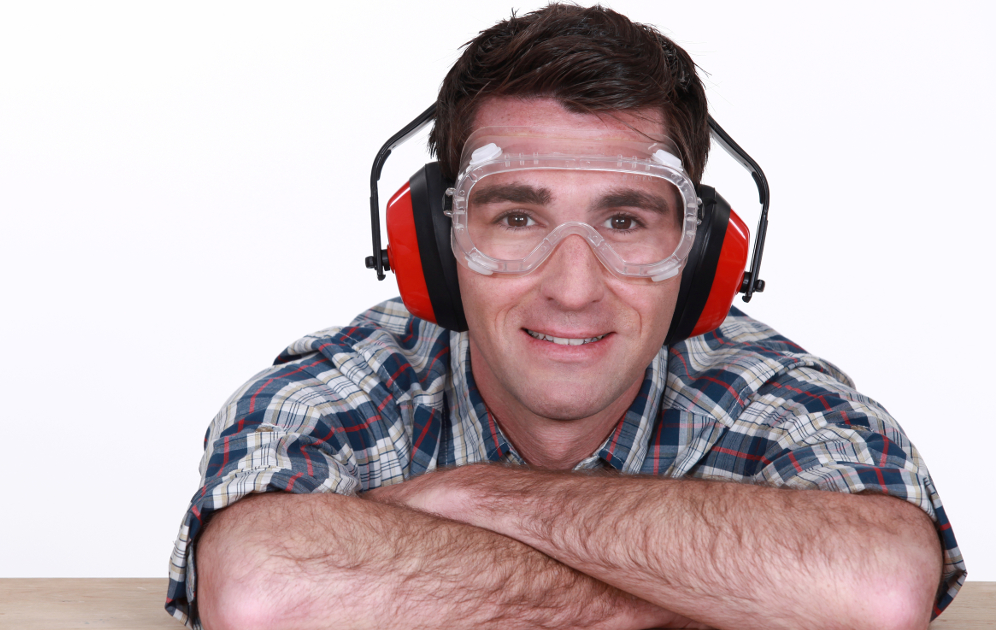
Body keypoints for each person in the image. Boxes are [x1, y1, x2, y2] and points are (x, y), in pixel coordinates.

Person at [165, 5, 965, 629]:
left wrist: (481, 499)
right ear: (433, 246)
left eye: (625, 222)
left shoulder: (771, 397)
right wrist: (726, 590)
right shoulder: (339, 390)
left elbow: (879, 590)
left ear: (702, 250)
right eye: (516, 220)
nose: (573, 288)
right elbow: (260, 593)